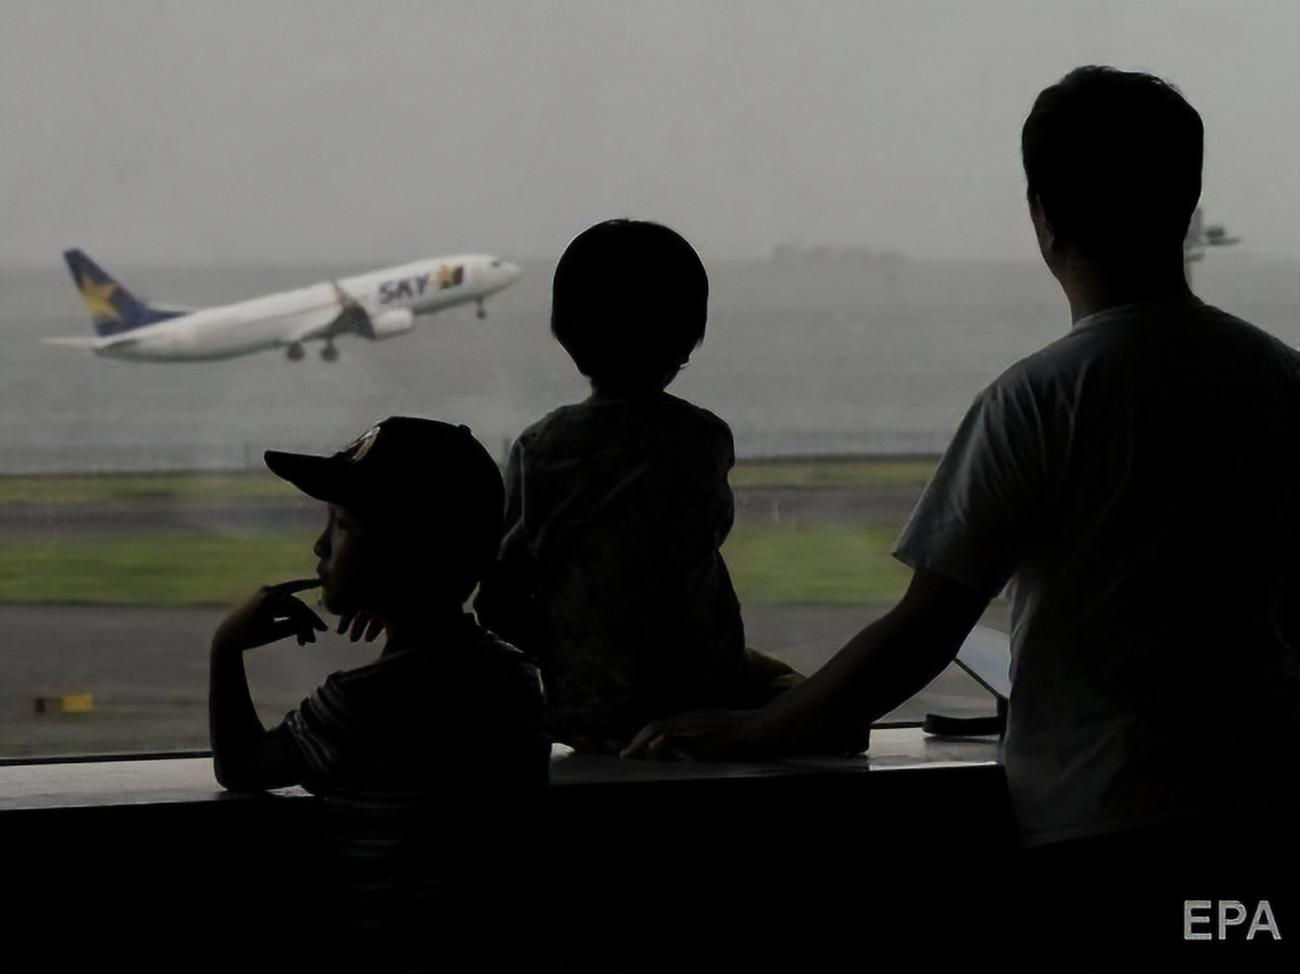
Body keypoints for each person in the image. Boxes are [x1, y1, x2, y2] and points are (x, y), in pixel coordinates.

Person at [625, 67, 1298, 969]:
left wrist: (754, 732)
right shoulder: (1281, 379)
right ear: (1187, 205)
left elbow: (924, 630)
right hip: (1267, 823)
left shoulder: (1038, 400)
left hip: (1102, 832)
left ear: (1043, 218)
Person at [208, 416, 551, 971]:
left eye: (343, 525)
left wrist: (226, 645)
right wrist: (400, 604)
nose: (320, 544)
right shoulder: (515, 678)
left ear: (404, 550)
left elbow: (241, 766)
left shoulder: (364, 701)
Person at [474, 219, 805, 752]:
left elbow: (500, 600)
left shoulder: (540, 447)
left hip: (583, 715)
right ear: (687, 341)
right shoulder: (703, 438)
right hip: (702, 697)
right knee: (805, 695)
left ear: (566, 335)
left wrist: (574, 654)